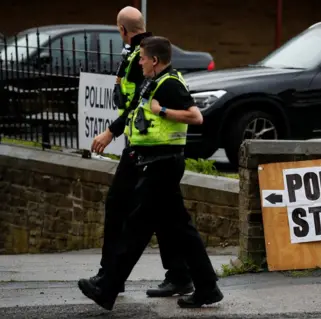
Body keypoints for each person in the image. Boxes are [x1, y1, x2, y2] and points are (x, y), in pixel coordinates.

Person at [77, 35, 224, 311]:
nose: (140, 61)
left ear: (154, 60)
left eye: (143, 57)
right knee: (181, 229)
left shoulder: (169, 84)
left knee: (137, 226)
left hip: (163, 164)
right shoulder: (153, 82)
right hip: (153, 161)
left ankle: (106, 288)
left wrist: (163, 110)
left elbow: (196, 116)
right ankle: (207, 287)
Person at [89, 6, 193, 297]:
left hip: (146, 149)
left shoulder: (141, 57)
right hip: (146, 147)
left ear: (122, 30)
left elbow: (137, 103)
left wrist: (111, 131)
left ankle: (109, 276)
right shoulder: (139, 53)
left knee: (121, 206)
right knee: (168, 214)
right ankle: (182, 276)